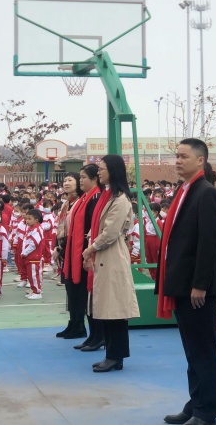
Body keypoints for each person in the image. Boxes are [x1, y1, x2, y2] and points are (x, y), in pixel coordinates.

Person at [156, 139, 216, 425]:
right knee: (192, 351)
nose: (178, 161)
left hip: (196, 287)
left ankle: (207, 411)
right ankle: (195, 403)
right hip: (182, 283)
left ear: (200, 161)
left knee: (203, 350)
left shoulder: (206, 193)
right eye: (177, 156)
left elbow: (209, 243)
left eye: (184, 156)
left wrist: (201, 284)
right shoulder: (185, 190)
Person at [82, 155, 140, 373]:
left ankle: (115, 355)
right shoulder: (107, 196)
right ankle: (112, 354)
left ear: (113, 171)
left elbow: (110, 232)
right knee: (108, 308)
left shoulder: (120, 199)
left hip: (112, 256)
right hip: (104, 256)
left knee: (114, 309)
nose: (99, 172)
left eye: (102, 169)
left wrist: (90, 248)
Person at [58, 169, 100, 343]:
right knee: (71, 287)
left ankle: (84, 327)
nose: (66, 183)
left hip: (82, 247)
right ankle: (74, 322)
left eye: (72, 180)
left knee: (81, 289)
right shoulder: (71, 202)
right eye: (65, 180)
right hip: (70, 247)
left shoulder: (91, 198)